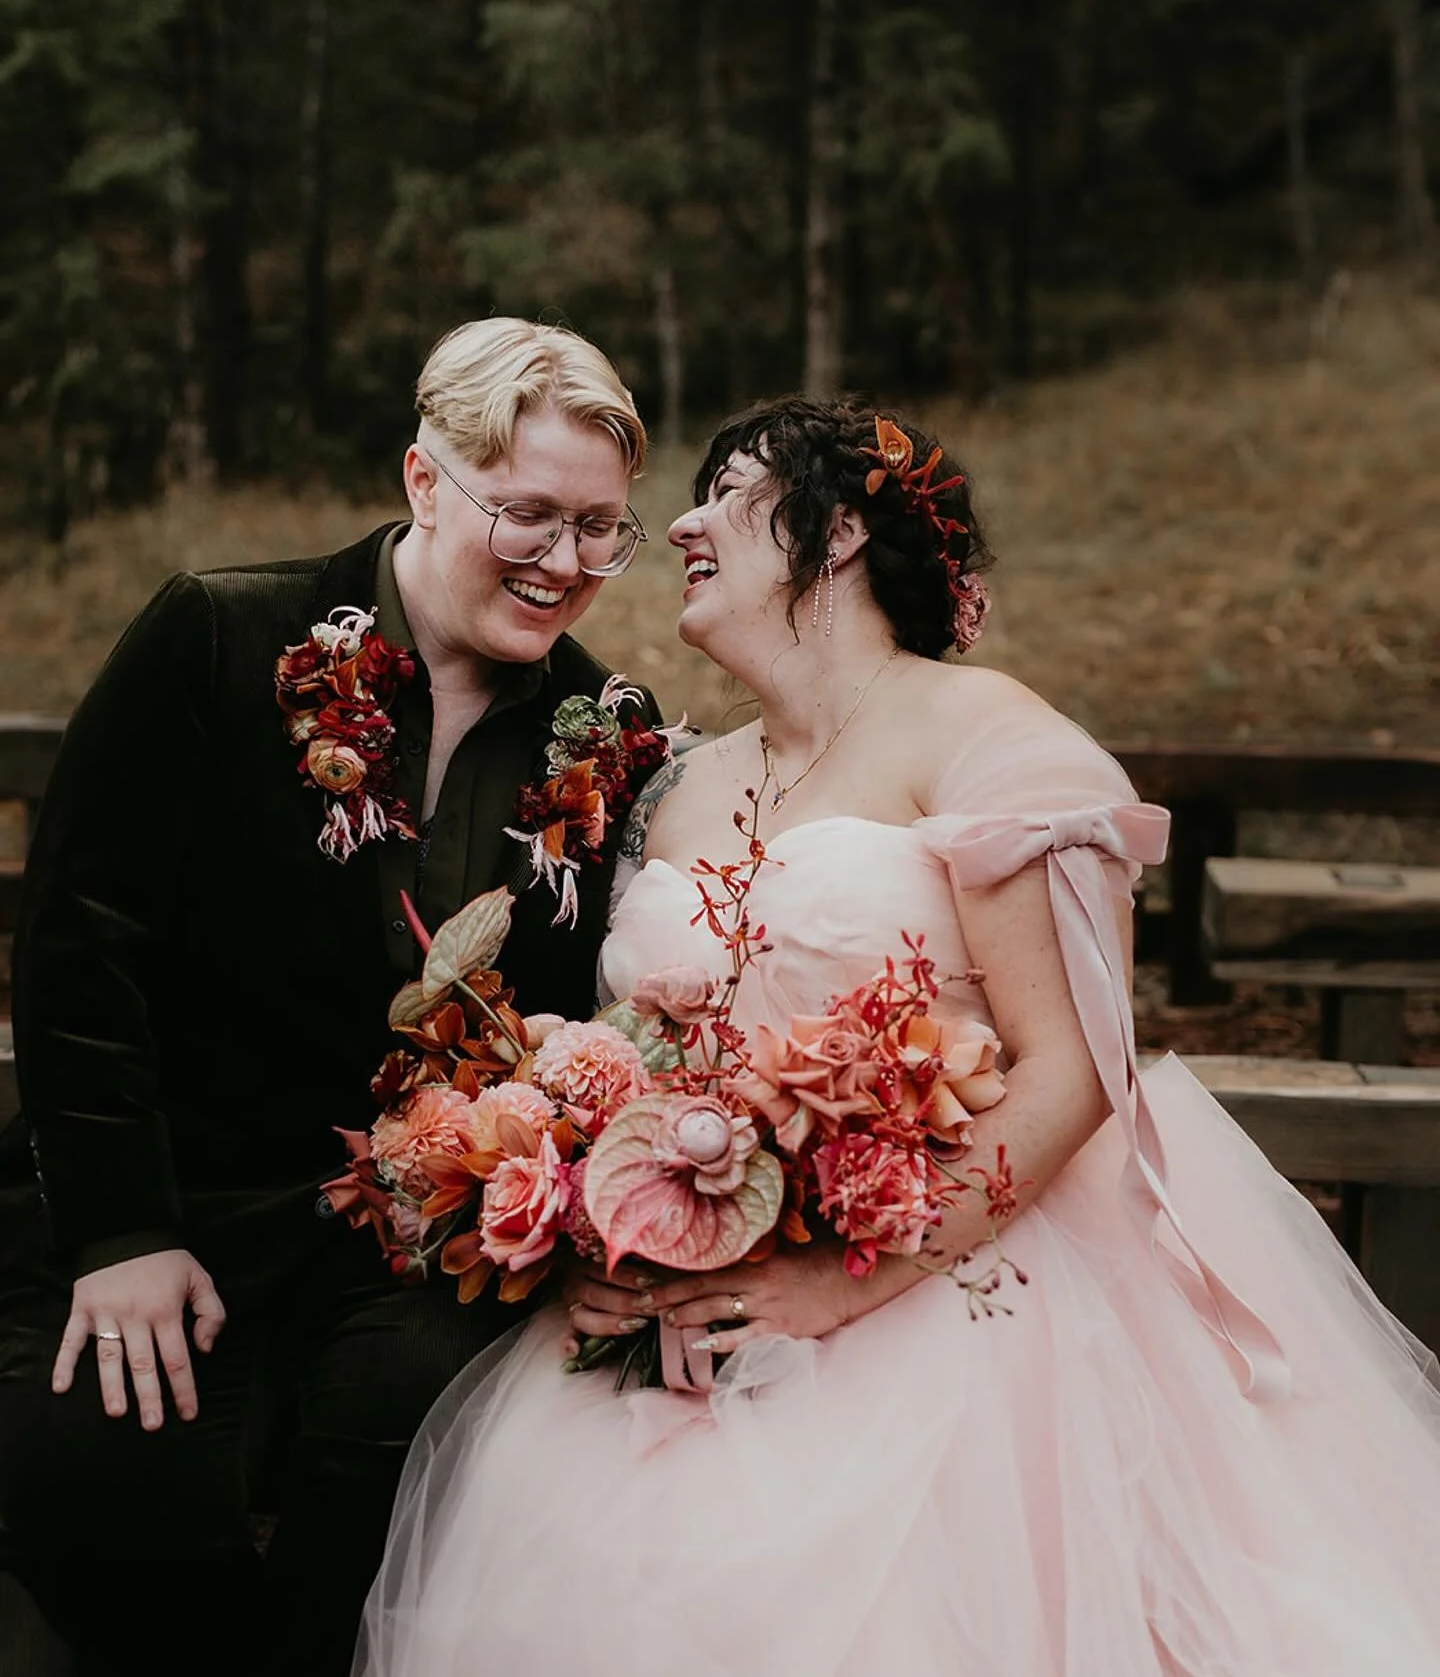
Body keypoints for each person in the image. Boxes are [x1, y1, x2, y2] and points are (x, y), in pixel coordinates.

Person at [354, 395, 1440, 1677]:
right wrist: (620, 1232)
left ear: (843, 533)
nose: (685, 523)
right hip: (684, 1317)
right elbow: (639, 1054)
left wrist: (832, 1288)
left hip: (965, 1303)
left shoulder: (991, 741)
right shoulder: (680, 783)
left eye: (728, 490)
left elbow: (1078, 1066)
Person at [0, 318, 662, 1677]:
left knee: (405, 1479)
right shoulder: (222, 635)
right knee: (101, 1493)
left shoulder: (607, 733)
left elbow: (589, 1014)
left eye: (603, 529)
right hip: (167, 1199)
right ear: (426, 481)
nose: (565, 565)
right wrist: (121, 1233)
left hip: (408, 1252)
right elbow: (81, 944)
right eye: (529, 514)